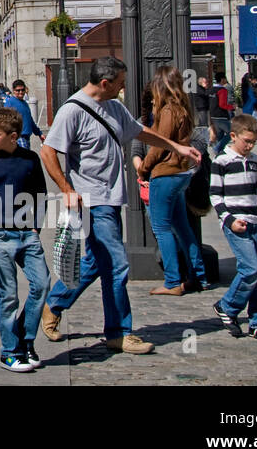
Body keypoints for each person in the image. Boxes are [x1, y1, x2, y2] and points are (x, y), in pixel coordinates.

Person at [38, 56, 201, 355]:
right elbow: (48, 151)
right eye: (120, 83)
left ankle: (54, 303)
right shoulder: (72, 111)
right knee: (116, 263)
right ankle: (118, 332)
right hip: (91, 200)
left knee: (96, 261)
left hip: (112, 199)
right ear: (105, 83)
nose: (124, 88)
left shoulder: (114, 107)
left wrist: (176, 146)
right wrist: (66, 189)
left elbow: (139, 131)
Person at [0, 107, 50, 372]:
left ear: (13, 136)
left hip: (27, 234)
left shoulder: (30, 159)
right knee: (8, 295)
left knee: (41, 284)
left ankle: (25, 340)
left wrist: (37, 225)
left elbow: (41, 192)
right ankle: (10, 351)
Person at [137, 65, 208, 296]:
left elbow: (160, 144)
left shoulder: (168, 111)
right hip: (181, 173)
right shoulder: (184, 108)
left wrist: (144, 169)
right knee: (182, 228)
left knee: (162, 228)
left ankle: (172, 281)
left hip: (165, 173)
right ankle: (198, 276)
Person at [210, 113, 257, 342]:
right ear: (233, 136)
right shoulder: (222, 162)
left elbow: (255, 189)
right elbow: (215, 195)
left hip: (255, 221)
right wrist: (228, 220)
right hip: (235, 222)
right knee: (251, 269)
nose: (249, 146)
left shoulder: (255, 160)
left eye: (253, 142)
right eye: (246, 141)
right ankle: (227, 306)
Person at [5, 80, 44, 151]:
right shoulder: (10, 102)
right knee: (25, 159)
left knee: (25, 159)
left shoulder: (25, 103)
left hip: (26, 136)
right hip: (18, 137)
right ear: (13, 90)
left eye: (22, 90)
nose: (21, 92)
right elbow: (5, 120)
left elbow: (30, 120)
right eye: (18, 90)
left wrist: (39, 133)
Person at [209, 73, 235, 154]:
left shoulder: (211, 90)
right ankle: (217, 148)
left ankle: (220, 152)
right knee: (231, 132)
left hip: (212, 115)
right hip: (221, 115)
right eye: (225, 78)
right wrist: (232, 107)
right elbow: (222, 104)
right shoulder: (222, 90)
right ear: (222, 79)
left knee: (219, 135)